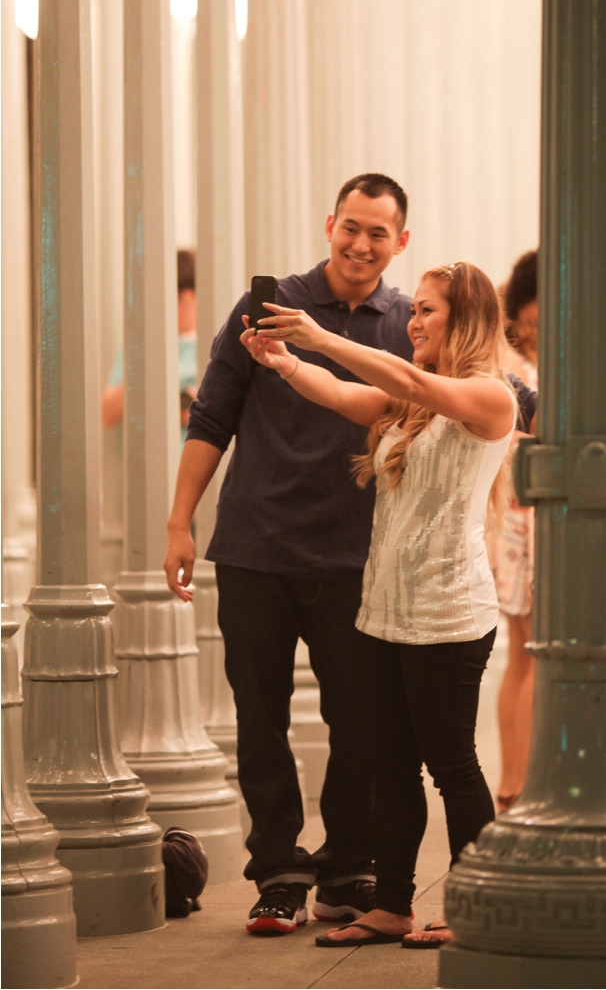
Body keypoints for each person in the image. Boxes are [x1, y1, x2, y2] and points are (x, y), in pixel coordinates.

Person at [241, 261, 516, 948]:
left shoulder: (491, 396)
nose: (413, 321)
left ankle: (475, 905)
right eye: (413, 308)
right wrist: (285, 361)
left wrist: (319, 335)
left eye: (428, 310)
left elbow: (413, 381)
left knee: (452, 765)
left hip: (449, 613)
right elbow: (340, 394)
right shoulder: (411, 403)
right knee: (389, 766)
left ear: (466, 318)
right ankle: (392, 905)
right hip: (385, 611)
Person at [163, 174, 412, 935]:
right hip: (257, 549)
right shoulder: (265, 308)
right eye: (351, 227)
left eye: (378, 233)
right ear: (330, 223)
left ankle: (347, 866)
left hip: (356, 558)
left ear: (400, 241)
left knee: (360, 721)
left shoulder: (408, 323)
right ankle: (277, 871)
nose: (361, 244)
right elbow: (212, 417)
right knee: (259, 718)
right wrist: (179, 522)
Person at [488, 250, 538, 811]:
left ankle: (513, 785)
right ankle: (519, 787)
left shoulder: (519, 360)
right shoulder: (523, 366)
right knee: (532, 653)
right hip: (526, 519)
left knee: (524, 654)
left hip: (516, 518)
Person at [102, 249, 198, 441]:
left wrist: (199, 411)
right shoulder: (141, 345)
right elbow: (107, 413)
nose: (174, 308)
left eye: (180, 299)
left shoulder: (215, 344)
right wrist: (143, 369)